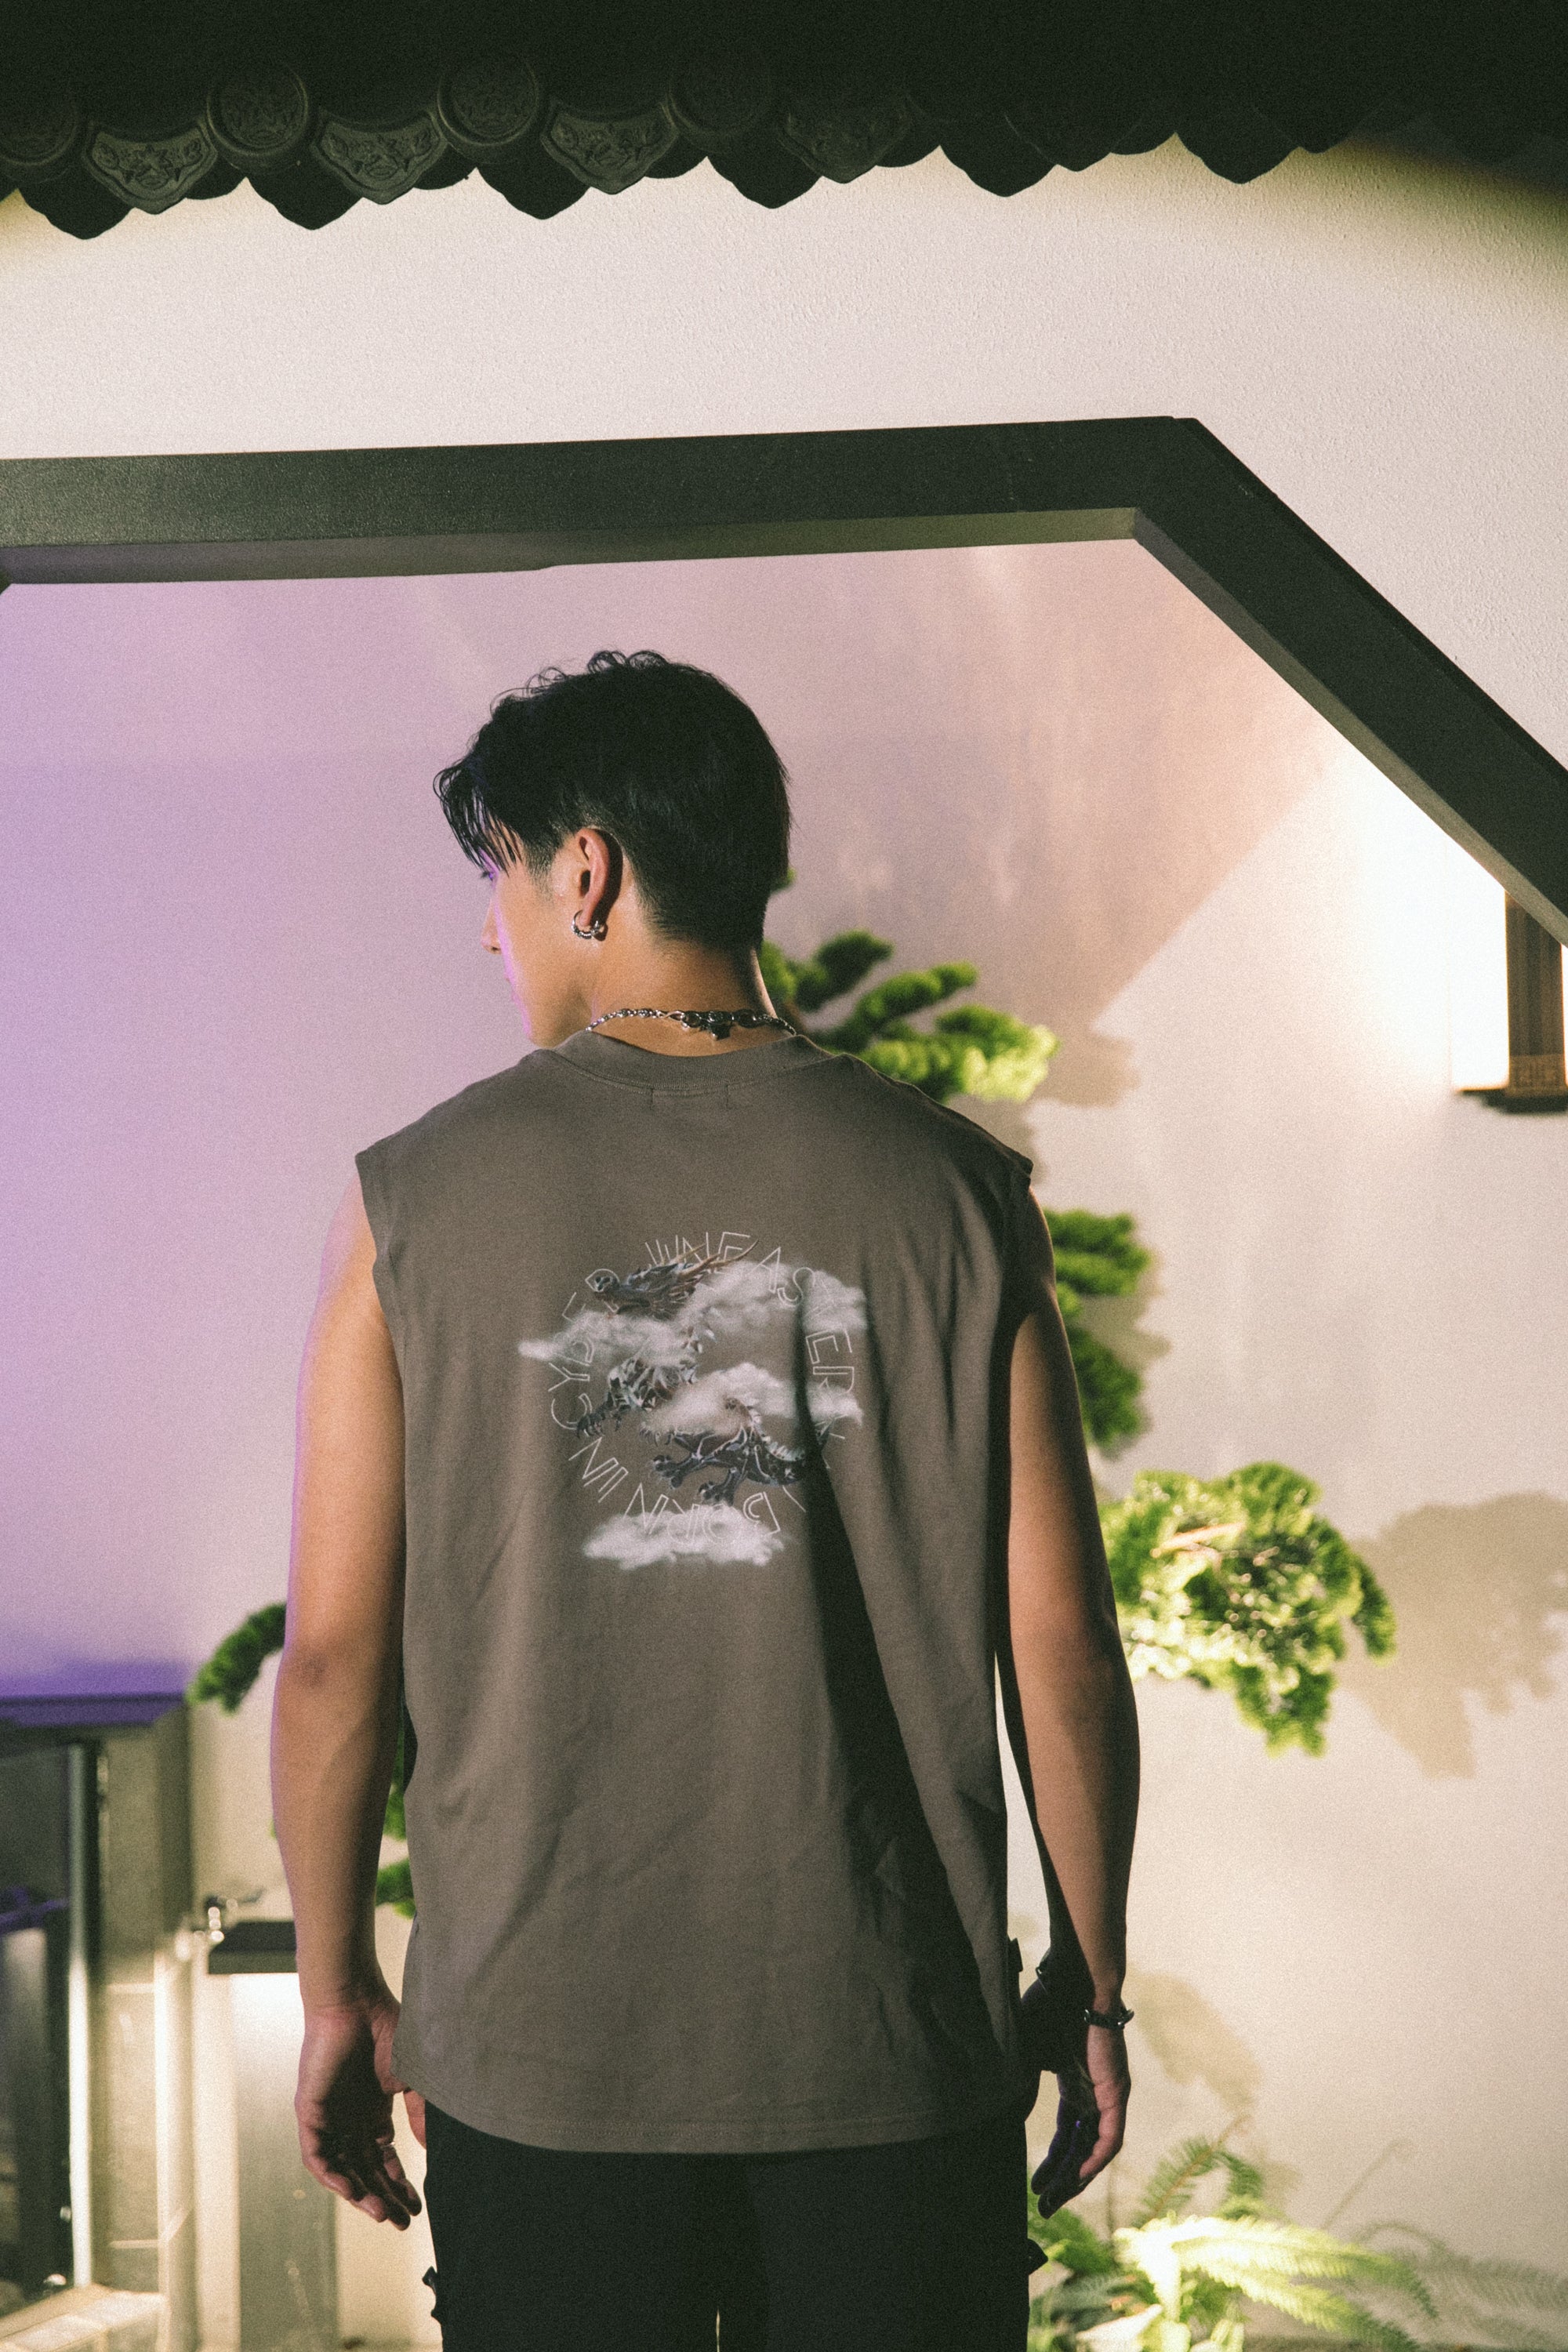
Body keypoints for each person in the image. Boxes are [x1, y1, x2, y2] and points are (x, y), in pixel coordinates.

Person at [270, 648, 1140, 2352]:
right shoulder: (962, 1195)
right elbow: (1060, 1645)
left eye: (502, 877)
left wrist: (334, 1988)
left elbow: (333, 1662)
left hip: (542, 2073)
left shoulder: (410, 1204)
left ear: (585, 871)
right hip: (893, 2063)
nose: (493, 933)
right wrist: (1091, 1985)